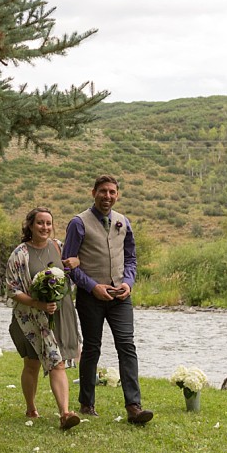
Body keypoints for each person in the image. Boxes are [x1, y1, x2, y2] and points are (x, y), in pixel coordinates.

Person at [62, 175, 153, 425]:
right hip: (91, 297)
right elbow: (68, 264)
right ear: (93, 193)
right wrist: (92, 287)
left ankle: (134, 406)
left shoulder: (123, 222)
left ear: (117, 195)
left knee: (127, 345)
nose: (108, 196)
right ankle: (87, 403)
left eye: (112, 192)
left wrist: (129, 283)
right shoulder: (78, 223)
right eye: (103, 191)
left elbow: (131, 258)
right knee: (92, 347)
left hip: (120, 296)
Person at [6, 207, 82, 430]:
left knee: (57, 362)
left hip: (56, 314)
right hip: (30, 318)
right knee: (32, 365)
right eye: (40, 223)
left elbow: (74, 263)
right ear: (30, 225)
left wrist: (76, 262)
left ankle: (65, 413)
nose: (45, 227)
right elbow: (12, 289)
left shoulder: (58, 247)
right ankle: (31, 407)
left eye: (48, 223)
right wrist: (38, 303)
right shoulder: (20, 254)